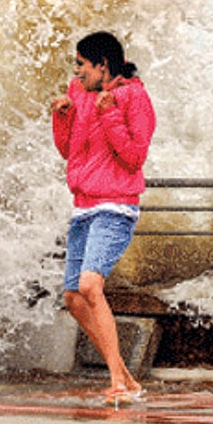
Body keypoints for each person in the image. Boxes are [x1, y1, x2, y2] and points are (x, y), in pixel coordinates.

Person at [50, 31, 156, 404]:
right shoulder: (78, 91)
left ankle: (116, 381)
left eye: (81, 65)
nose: (76, 73)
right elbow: (67, 151)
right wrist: (61, 118)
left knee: (91, 286)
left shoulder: (135, 97)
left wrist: (109, 114)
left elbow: (134, 158)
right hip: (83, 205)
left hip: (115, 205)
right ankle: (127, 379)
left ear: (103, 65)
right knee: (74, 298)